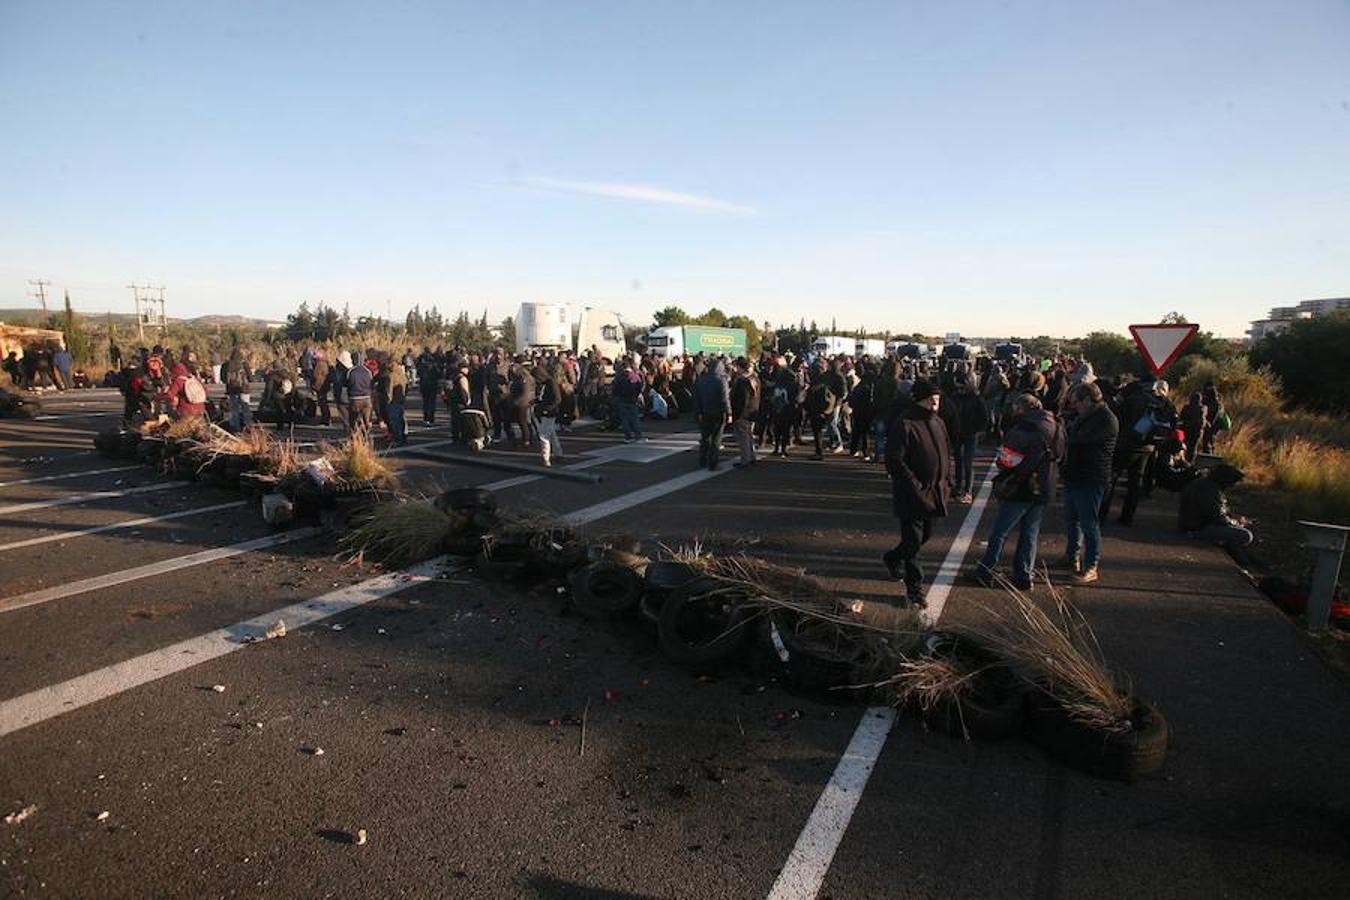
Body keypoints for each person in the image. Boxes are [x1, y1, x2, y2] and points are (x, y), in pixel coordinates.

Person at [974, 394, 1064, 590]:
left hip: (1022, 484)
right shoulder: (1057, 426)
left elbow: (1007, 460)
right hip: (1045, 484)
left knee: (1001, 531)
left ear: (1023, 409)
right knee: (1030, 532)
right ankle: (1024, 574)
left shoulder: (1023, 429)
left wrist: (1004, 466)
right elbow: (1061, 454)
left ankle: (986, 570)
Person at [882, 380, 951, 607]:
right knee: (913, 542)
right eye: (930, 398)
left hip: (935, 491)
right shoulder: (905, 423)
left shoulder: (938, 422)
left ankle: (892, 557)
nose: (935, 401)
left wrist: (948, 480)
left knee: (924, 536)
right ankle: (914, 589)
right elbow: (894, 459)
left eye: (938, 398)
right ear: (919, 398)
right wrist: (914, 485)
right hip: (911, 493)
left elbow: (945, 453)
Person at [1059, 381, 1118, 584]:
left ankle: (1091, 565)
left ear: (1087, 400)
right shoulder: (1087, 416)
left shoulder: (1105, 419)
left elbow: (1078, 440)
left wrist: (1065, 430)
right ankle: (1072, 555)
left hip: (1091, 477)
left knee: (1089, 523)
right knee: (1072, 519)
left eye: (1076, 402)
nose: (1074, 406)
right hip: (1076, 474)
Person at [1179, 464, 1253, 550]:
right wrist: (1238, 523)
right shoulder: (1210, 490)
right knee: (1246, 535)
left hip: (1193, 525)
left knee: (1238, 531)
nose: (1232, 486)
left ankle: (1239, 555)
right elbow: (1219, 518)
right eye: (1232, 483)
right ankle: (1236, 555)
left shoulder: (1204, 484)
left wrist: (1234, 519)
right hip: (1197, 529)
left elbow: (1217, 512)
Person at [942, 375, 988, 503]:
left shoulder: (976, 399)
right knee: (958, 461)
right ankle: (958, 487)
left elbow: (984, 417)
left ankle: (967, 490)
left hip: (970, 434)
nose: (959, 389)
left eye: (962, 387)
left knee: (967, 462)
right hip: (957, 433)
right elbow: (949, 414)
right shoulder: (954, 397)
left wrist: (976, 429)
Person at [694, 359, 732, 470]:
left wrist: (698, 412)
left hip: (704, 412)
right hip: (718, 412)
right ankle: (713, 463)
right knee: (716, 439)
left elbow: (696, 399)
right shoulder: (721, 380)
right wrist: (728, 412)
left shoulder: (701, 379)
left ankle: (702, 459)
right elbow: (725, 399)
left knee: (705, 437)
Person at [729, 357, 759, 468]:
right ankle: (752, 457)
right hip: (753, 411)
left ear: (740, 367)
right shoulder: (754, 378)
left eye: (736, 367)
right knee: (750, 436)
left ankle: (745, 460)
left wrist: (737, 414)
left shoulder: (742, 381)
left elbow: (742, 400)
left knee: (743, 438)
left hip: (743, 413)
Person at [532, 363, 563, 466]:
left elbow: (557, 399)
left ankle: (546, 459)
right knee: (551, 434)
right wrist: (536, 401)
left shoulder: (550, 383)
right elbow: (545, 398)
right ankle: (558, 453)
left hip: (549, 412)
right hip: (547, 411)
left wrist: (546, 409)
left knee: (544, 436)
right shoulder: (547, 383)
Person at [611, 359, 645, 442]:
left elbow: (614, 388)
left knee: (624, 419)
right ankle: (638, 436)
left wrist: (616, 396)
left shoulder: (619, 376)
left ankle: (628, 436)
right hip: (632, 399)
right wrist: (636, 395)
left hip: (622, 399)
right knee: (635, 418)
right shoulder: (634, 375)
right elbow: (639, 387)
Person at [346, 351, 373, 434]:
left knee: (353, 420)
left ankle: (354, 435)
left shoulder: (350, 372)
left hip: (354, 398)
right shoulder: (368, 371)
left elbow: (347, 384)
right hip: (366, 398)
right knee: (366, 420)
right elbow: (371, 384)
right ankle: (366, 433)